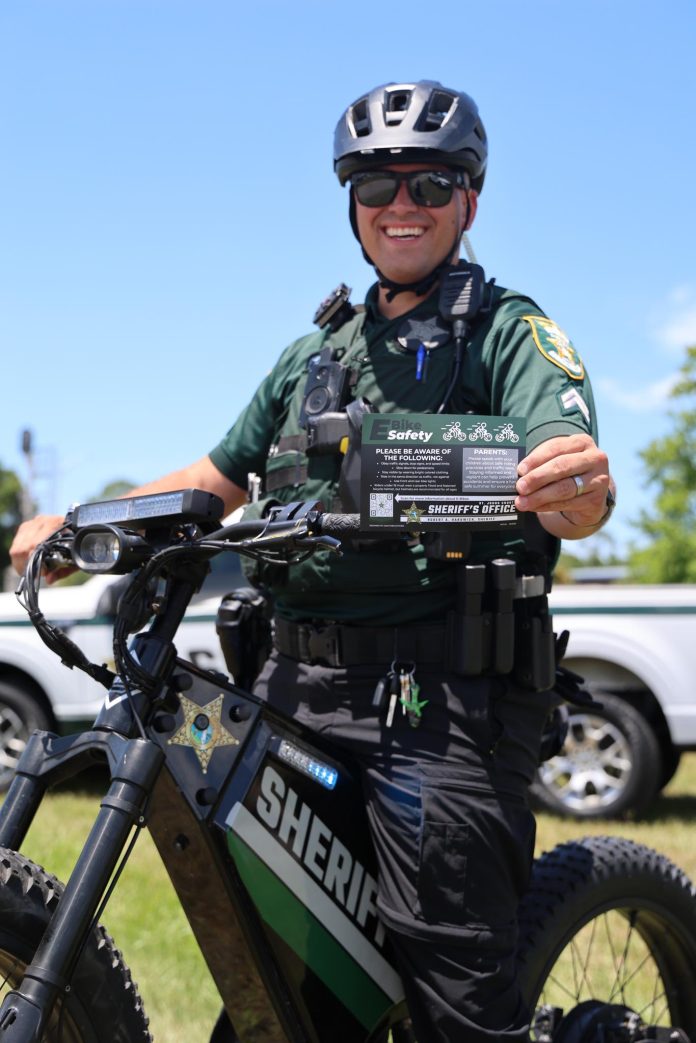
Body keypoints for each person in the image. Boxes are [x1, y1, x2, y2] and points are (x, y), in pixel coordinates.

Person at [11, 80, 615, 1042]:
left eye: (428, 183)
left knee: (456, 1000)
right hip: (294, 688)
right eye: (377, 189)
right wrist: (83, 525)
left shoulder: (510, 332)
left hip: (442, 706)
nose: (400, 207)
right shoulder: (311, 353)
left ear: (470, 199)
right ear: (351, 206)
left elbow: (572, 472)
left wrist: (577, 487)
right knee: (282, 974)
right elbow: (218, 477)